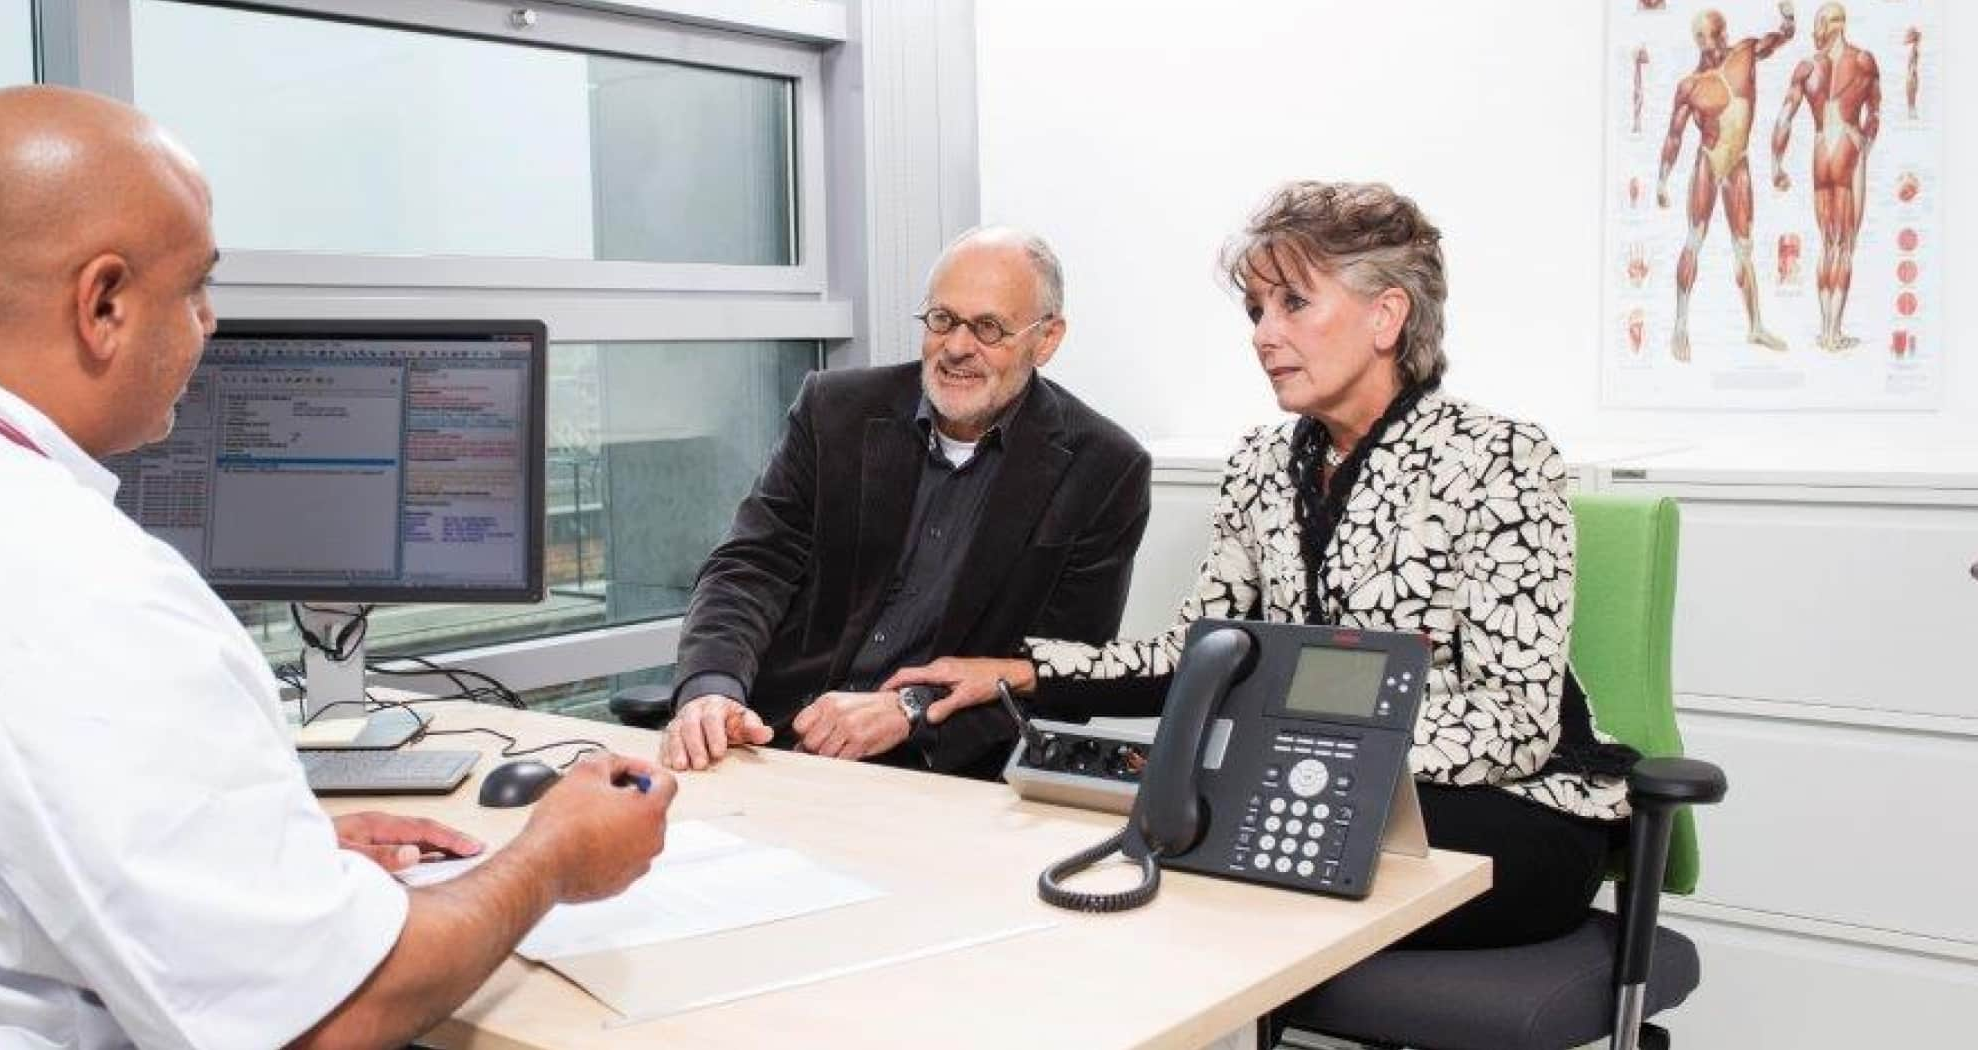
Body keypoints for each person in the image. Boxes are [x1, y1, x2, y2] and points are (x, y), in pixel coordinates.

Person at [0, 85, 674, 1050]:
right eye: (194, 284)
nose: (208, 322)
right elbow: (334, 1021)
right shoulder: (79, 589)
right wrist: (552, 858)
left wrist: (250, 869)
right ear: (102, 302)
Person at [890, 182, 1637, 951]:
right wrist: (1016, 673)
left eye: (1292, 305)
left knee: (1241, 834)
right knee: (1147, 820)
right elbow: (1196, 652)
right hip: (1311, 789)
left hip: (1504, 807)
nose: (1263, 334)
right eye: (1256, 311)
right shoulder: (1260, 464)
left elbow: (1513, 724)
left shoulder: (1500, 460)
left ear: (1387, 316)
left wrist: (1311, 756)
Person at [658, 227, 1151, 779]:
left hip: (935, 774)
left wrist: (913, 715)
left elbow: (1062, 680)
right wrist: (711, 689)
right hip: (771, 738)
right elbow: (749, 568)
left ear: (1047, 338)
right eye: (942, 319)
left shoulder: (1104, 469)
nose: (958, 347)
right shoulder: (834, 411)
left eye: (988, 328)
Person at [1658, 2, 1798, 361]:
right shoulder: (1691, 86)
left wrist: (1787, 14)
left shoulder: (1746, 53)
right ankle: (1680, 325)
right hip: (1709, 161)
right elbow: (1674, 136)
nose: (1712, 42)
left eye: (1716, 33)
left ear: (1724, 31)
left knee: (1744, 248)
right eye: (1703, 37)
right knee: (1694, 240)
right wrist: (1662, 180)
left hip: (1738, 162)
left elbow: (1784, 37)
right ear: (1697, 40)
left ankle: (1755, 326)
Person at [1773, 2, 1881, 352]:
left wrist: (1776, 164)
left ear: (1829, 25)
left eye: (1819, 23)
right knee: (1845, 245)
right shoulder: (1864, 60)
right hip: (1848, 144)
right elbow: (1875, 112)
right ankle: (1835, 333)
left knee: (1826, 244)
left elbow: (1784, 118)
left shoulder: (1807, 67)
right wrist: (1865, 140)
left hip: (1821, 150)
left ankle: (1825, 331)